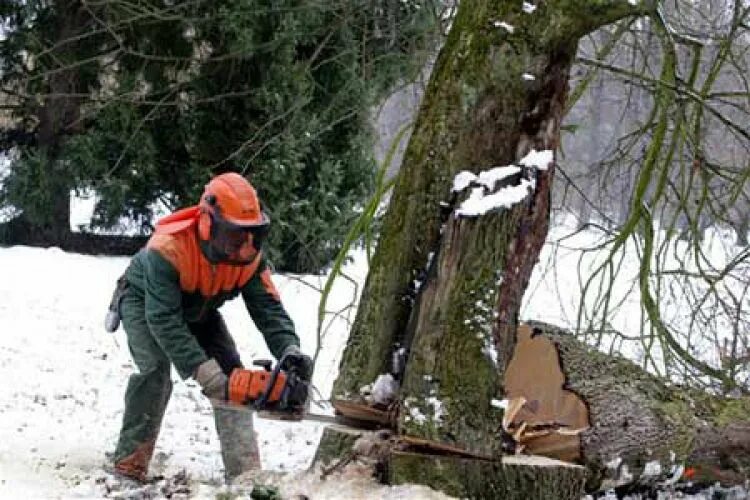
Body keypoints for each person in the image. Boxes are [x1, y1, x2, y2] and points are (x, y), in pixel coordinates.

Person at [107, 172, 313, 482]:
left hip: (199, 307)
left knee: (234, 376)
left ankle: (244, 470)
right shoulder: (167, 249)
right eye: (233, 235)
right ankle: (129, 462)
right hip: (144, 301)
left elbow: (268, 308)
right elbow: (163, 319)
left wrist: (290, 349)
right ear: (208, 223)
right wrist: (203, 371)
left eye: (250, 234)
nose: (242, 245)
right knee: (155, 372)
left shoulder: (248, 258)